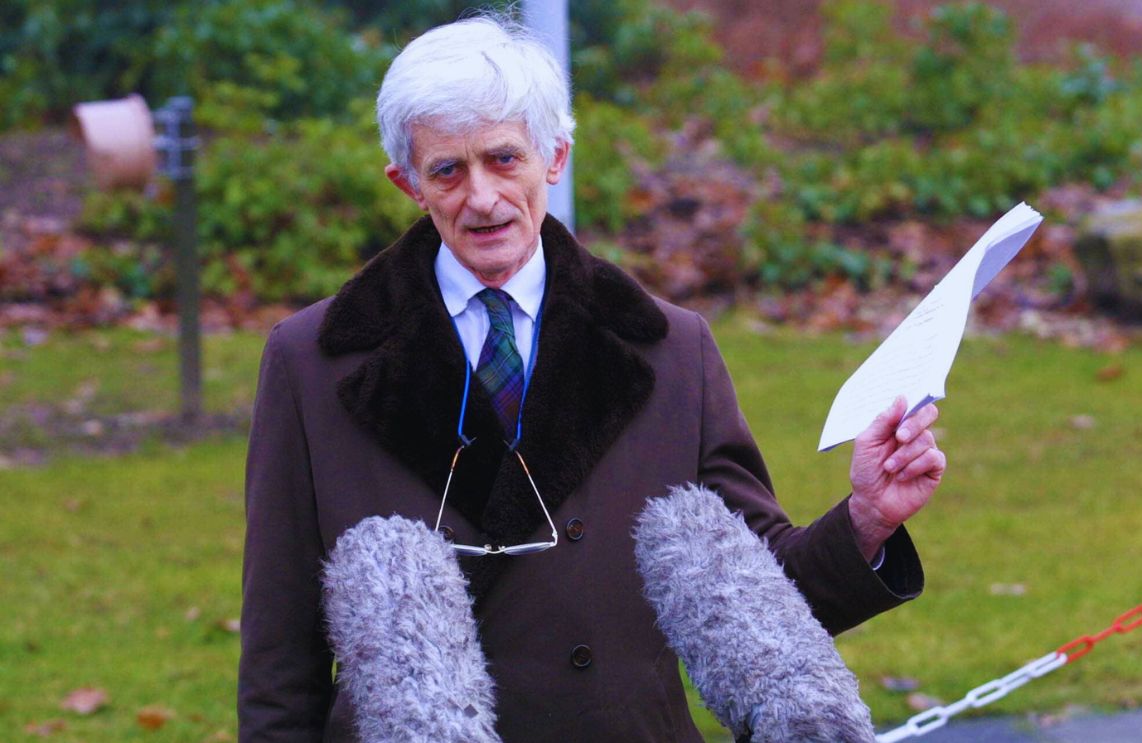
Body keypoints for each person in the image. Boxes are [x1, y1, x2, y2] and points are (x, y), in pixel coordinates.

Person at [238, 15, 946, 743]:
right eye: (448, 169)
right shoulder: (310, 360)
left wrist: (867, 517)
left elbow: (758, 609)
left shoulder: (670, 347)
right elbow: (279, 645)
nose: (481, 197)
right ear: (408, 182)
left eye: (504, 159)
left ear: (555, 157)